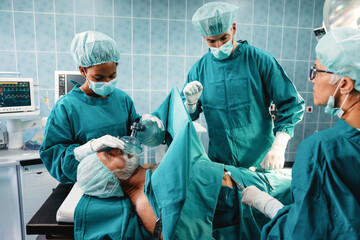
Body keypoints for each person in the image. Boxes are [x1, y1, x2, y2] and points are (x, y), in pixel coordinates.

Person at [241, 27, 360, 239]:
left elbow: (300, 232)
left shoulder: (322, 150)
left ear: (344, 84)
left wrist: (266, 204)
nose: (311, 79)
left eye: (316, 71)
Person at [182, 2, 305, 169]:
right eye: (212, 41)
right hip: (220, 162)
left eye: (223, 38)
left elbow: (291, 103)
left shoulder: (260, 60)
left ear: (233, 28)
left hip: (260, 160)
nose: (218, 45)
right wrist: (190, 104)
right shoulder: (198, 70)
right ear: (204, 37)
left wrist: (279, 145)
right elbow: (190, 117)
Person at [40, 31, 163, 196]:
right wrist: (88, 148)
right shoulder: (66, 107)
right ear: (83, 71)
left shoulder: (122, 99)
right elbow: (54, 158)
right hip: (89, 189)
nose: (106, 82)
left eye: (112, 76)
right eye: (98, 77)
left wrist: (148, 125)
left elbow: (135, 132)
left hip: (126, 183)